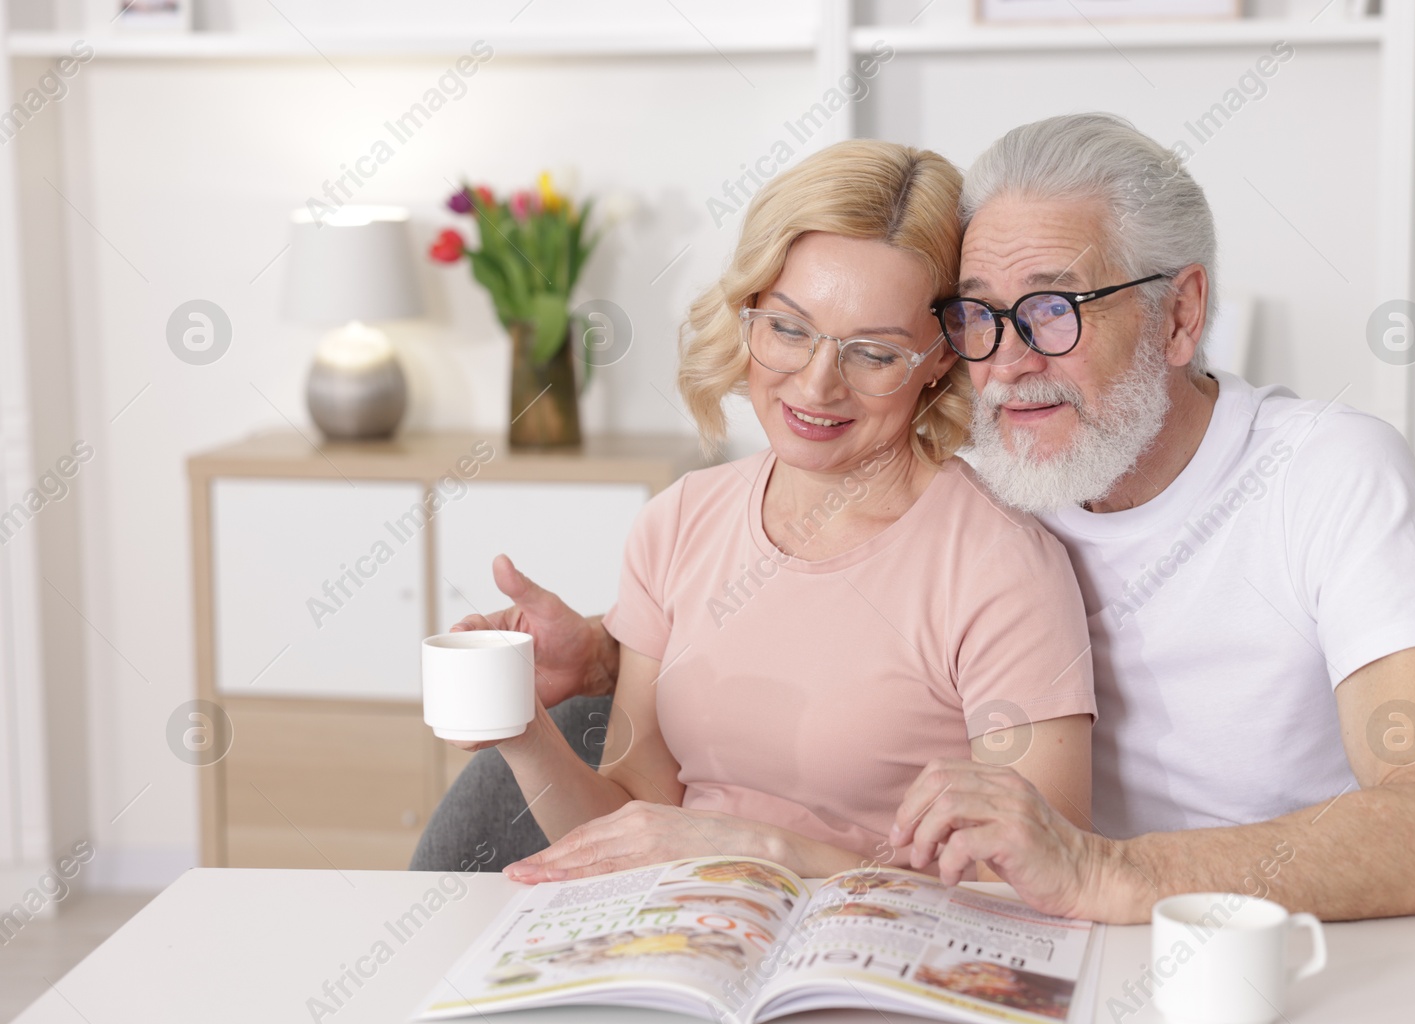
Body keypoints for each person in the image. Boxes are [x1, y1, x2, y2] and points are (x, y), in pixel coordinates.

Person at [451, 114, 1415, 924]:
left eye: (1054, 309)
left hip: (1265, 952)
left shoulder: (1327, 475)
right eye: (977, 317)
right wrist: (602, 651)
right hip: (1044, 941)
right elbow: (808, 575)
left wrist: (1102, 867)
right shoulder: (1000, 454)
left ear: (1181, 313)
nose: (1008, 361)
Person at [446, 139, 1097, 882]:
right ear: (749, 311)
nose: (817, 386)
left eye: (875, 354)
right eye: (788, 329)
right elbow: (630, 828)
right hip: (683, 941)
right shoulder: (680, 522)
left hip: (883, 967)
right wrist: (524, 729)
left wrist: (760, 850)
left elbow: (1043, 886)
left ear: (941, 359)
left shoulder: (999, 565)